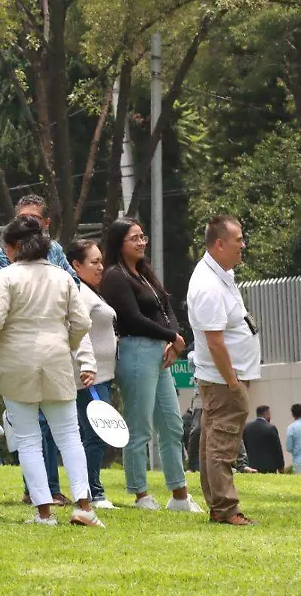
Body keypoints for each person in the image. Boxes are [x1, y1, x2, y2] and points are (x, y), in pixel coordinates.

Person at [0, 215, 101, 526]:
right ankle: (84, 506)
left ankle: (44, 512)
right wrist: (64, 343)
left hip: (17, 363)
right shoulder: (62, 276)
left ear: (15, 247)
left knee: (29, 439)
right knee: (70, 436)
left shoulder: (6, 277)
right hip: (57, 360)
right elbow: (82, 323)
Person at [99, 217, 198, 512]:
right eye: (135, 238)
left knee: (171, 424)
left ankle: (179, 495)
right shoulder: (115, 276)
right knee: (140, 425)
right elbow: (132, 318)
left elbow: (166, 308)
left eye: (143, 237)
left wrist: (173, 340)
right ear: (120, 243)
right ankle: (140, 493)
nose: (142, 243)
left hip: (159, 351)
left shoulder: (144, 273)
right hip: (136, 350)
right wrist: (172, 336)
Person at [0, 195, 75, 504]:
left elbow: (74, 286)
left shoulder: (55, 251)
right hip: (22, 350)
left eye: (33, 219)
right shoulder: (6, 254)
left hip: (54, 344)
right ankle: (40, 491)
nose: (26, 225)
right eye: (21, 218)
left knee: (57, 425)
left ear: (45, 224)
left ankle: (51, 491)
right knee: (32, 429)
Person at [187, 215, 260, 525]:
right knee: (223, 443)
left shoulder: (219, 275)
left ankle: (219, 505)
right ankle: (226, 508)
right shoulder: (207, 285)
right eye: (238, 239)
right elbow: (215, 342)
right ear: (219, 244)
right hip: (223, 379)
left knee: (213, 441)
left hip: (225, 377)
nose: (243, 244)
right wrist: (232, 381)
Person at [68, 239, 118, 509]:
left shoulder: (91, 292)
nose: (101, 267)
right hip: (88, 379)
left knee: (96, 435)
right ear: (76, 265)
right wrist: (85, 366)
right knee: (95, 435)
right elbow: (76, 331)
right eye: (94, 262)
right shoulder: (79, 294)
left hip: (102, 376)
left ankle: (93, 488)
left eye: (101, 261)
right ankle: (93, 492)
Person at [242, 406, 284, 474]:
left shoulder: (247, 428)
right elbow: (277, 449)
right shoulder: (271, 428)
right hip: (269, 467)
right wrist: (280, 466)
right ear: (266, 413)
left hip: (252, 465)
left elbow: (244, 446)